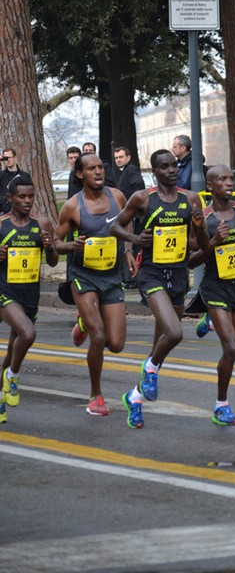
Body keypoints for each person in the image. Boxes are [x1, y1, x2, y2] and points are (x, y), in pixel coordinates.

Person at [110, 149, 209, 429]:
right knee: (175, 333)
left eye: (174, 165)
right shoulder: (143, 198)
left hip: (178, 274)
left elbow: (201, 244)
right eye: (164, 167)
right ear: (155, 171)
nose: (171, 170)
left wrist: (200, 226)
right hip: (151, 273)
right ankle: (149, 369)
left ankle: (135, 397)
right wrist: (134, 239)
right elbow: (115, 226)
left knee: (159, 346)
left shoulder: (190, 198)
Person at [186, 164, 235, 426]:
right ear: (210, 186)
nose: (229, 183)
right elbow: (191, 261)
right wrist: (213, 243)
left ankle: (208, 320)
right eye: (223, 179)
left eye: (231, 178)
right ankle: (221, 406)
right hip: (214, 286)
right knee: (230, 349)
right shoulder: (203, 220)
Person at [54, 152, 128, 416]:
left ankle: (83, 322)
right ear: (79, 174)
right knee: (98, 336)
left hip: (111, 275)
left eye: (100, 167)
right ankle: (95, 395)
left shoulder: (117, 197)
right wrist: (70, 246)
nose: (98, 172)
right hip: (83, 277)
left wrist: (128, 252)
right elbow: (55, 243)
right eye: (91, 169)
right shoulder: (73, 206)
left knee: (116, 343)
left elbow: (124, 227)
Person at [0, 173, 59, 424]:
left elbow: (54, 261)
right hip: (5, 291)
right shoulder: (1, 224)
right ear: (10, 198)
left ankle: (2, 395)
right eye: (21, 196)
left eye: (31, 196)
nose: (27, 201)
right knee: (27, 334)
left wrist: (50, 247)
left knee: (13, 348)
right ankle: (13, 376)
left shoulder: (42, 224)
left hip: (29, 294)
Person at [114, 146, 146, 289]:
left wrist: (131, 206)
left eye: (121, 157)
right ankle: (131, 278)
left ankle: (132, 279)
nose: (118, 160)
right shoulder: (125, 171)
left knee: (131, 245)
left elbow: (138, 186)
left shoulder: (131, 170)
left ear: (128, 157)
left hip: (133, 216)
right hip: (130, 214)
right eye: (116, 158)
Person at [0, 148, 30, 215]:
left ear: (15, 158)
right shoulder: (1, 175)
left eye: (9, 157)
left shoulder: (25, 176)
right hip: (3, 213)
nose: (7, 160)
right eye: (5, 158)